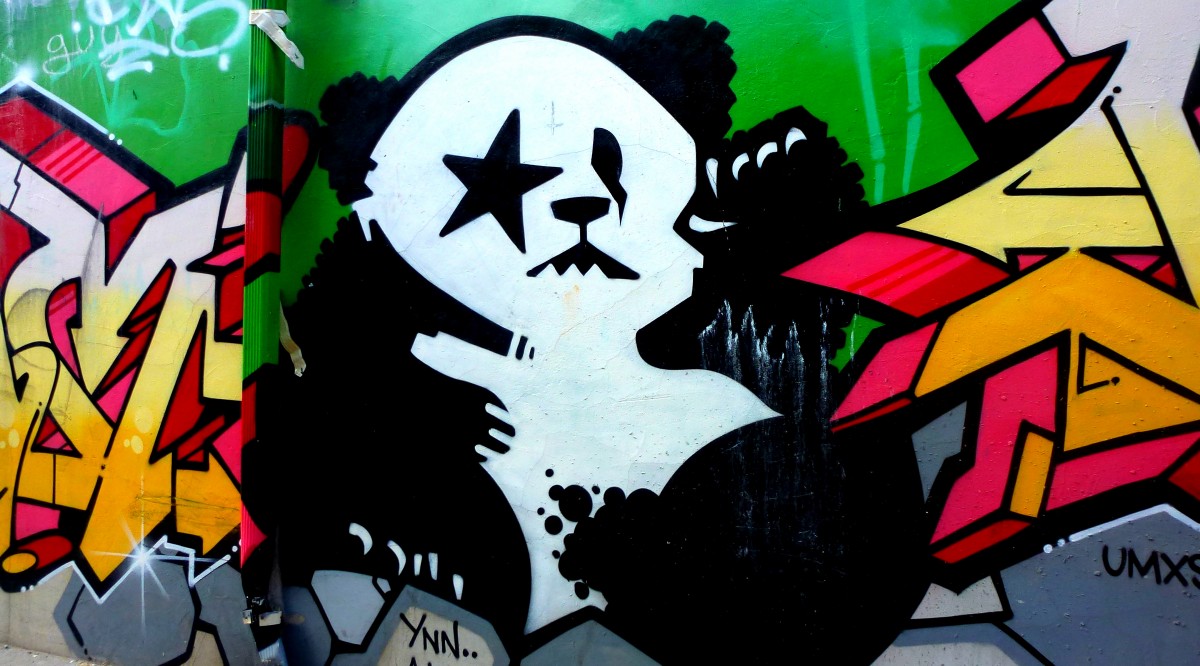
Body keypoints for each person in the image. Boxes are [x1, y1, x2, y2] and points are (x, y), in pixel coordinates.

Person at [270, 15, 929, 664]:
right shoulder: (404, 387)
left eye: (612, 161)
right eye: (516, 169)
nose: (586, 195)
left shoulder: (726, 405)